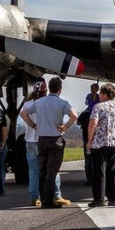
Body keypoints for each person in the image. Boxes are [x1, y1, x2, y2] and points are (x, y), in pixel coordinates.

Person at [26, 76, 77, 208]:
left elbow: (23, 113)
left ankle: (43, 199)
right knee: (52, 172)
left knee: (42, 170)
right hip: (56, 139)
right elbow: (74, 115)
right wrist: (65, 127)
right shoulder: (63, 103)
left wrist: (33, 125)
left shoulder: (39, 102)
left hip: (42, 139)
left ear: (50, 87)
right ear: (60, 89)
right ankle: (49, 200)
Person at [87, 83, 115, 207]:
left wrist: (89, 140)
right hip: (114, 143)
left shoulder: (98, 107)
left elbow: (92, 124)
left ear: (104, 94)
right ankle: (113, 198)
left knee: (99, 171)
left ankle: (99, 199)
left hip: (99, 142)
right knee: (112, 170)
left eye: (100, 93)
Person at [77, 83, 100, 186]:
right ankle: (98, 177)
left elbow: (86, 103)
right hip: (97, 139)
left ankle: (90, 178)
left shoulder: (85, 114)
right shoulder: (99, 99)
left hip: (87, 139)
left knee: (88, 159)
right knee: (97, 159)